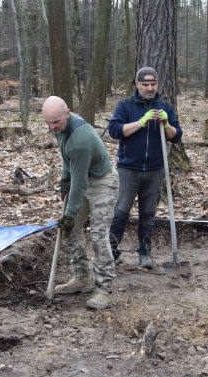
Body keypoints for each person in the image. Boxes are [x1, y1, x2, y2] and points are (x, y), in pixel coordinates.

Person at [43, 96, 119, 310]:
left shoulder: (80, 140)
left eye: (55, 122)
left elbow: (80, 182)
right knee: (72, 228)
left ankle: (104, 289)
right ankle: (82, 276)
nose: (51, 127)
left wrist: (69, 212)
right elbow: (67, 162)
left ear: (67, 113)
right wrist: (63, 181)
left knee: (97, 233)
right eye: (47, 122)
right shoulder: (60, 129)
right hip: (81, 178)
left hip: (103, 183)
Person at [106, 67, 183, 268]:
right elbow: (114, 131)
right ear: (137, 84)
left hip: (155, 169)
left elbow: (176, 136)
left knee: (148, 213)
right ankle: (111, 251)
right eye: (145, 84)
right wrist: (141, 122)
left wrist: (166, 124)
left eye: (153, 84)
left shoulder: (165, 106)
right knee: (121, 211)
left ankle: (145, 252)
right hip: (129, 168)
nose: (149, 88)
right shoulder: (125, 106)